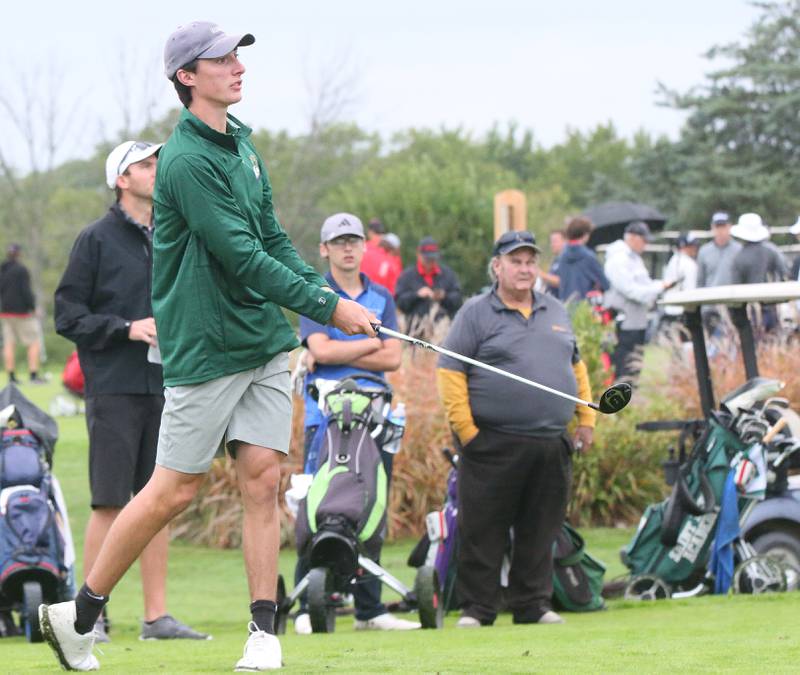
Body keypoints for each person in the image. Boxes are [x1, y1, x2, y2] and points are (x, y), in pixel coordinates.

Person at [39, 21, 375, 673]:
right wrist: (331, 304)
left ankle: (262, 632)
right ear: (187, 77)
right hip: (206, 347)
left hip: (263, 341)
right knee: (173, 489)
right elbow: (242, 257)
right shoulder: (188, 160)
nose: (237, 66)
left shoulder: (244, 148)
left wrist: (321, 294)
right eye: (220, 59)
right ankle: (77, 615)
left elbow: (273, 239)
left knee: (263, 478)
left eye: (237, 56)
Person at [53, 140, 208, 643]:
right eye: (145, 165)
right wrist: (125, 327)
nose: (156, 171)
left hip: (168, 385)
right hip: (114, 388)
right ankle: (90, 617)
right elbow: (67, 315)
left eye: (158, 163)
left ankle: (156, 617)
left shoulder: (172, 233)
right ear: (122, 180)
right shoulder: (95, 239)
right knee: (110, 502)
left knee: (157, 500)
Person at [436, 230, 595, 628]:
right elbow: (450, 370)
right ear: (497, 266)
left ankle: (533, 604)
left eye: (530, 262)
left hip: (551, 440)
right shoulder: (475, 312)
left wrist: (586, 418)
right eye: (515, 261)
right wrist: (467, 431)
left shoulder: (556, 310)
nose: (524, 269)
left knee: (540, 528)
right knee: (482, 527)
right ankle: (478, 608)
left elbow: (576, 367)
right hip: (492, 441)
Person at [293, 212, 418, 634]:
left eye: (355, 241)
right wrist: (366, 343)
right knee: (316, 504)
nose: (348, 248)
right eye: (339, 241)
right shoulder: (314, 292)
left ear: (365, 247)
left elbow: (393, 356)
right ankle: (309, 603)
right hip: (323, 413)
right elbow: (319, 350)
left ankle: (369, 610)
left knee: (373, 501)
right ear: (325, 249)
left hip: (375, 410)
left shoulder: (381, 295)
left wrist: (336, 349)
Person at [603, 221, 676, 382]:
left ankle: (629, 396)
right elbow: (631, 291)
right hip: (623, 323)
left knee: (634, 366)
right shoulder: (618, 259)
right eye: (644, 240)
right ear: (633, 238)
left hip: (637, 321)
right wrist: (659, 288)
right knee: (623, 366)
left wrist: (660, 286)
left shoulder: (635, 258)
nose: (646, 244)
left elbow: (645, 285)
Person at [730, 213, 788, 333]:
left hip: (751, 310)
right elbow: (785, 274)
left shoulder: (739, 257)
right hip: (774, 305)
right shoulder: (772, 251)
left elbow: (736, 287)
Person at [395, 236, 462, 337]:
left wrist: (444, 296)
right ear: (418, 255)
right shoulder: (407, 276)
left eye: (432, 259)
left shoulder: (448, 274)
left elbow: (458, 300)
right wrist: (417, 295)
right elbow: (400, 302)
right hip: (415, 335)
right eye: (427, 259)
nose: (430, 262)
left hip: (442, 334)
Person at [0, 244, 44, 384]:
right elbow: (26, 291)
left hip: (5, 313)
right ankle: (33, 375)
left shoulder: (2, 269)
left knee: (9, 343)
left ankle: (11, 377)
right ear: (18, 254)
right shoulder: (21, 270)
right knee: (33, 342)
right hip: (22, 314)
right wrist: (33, 307)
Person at [554, 217, 609, 303]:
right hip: (585, 309)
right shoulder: (589, 256)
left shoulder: (562, 256)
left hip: (566, 306)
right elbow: (605, 284)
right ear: (585, 235)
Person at [661, 232, 700, 324]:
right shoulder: (689, 264)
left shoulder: (673, 260)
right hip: (683, 312)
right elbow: (691, 291)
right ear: (683, 246)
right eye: (691, 246)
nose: (695, 248)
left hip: (669, 310)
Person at [359, 218, 390, 286]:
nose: (380, 237)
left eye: (380, 234)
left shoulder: (385, 252)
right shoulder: (362, 249)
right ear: (370, 233)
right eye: (377, 234)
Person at [537, 229, 566, 295]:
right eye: (551, 242)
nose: (552, 244)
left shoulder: (568, 260)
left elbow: (563, 282)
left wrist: (541, 274)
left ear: (565, 241)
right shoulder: (556, 260)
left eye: (555, 241)